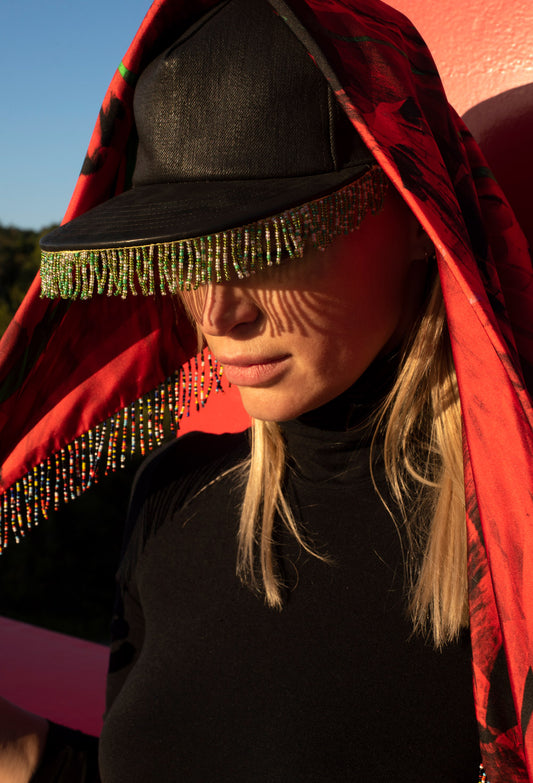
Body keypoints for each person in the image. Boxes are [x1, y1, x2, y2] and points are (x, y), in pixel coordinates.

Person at [0, 0, 532, 780]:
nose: (219, 313)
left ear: (419, 218)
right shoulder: (172, 496)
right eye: (186, 255)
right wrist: (19, 748)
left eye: (268, 242)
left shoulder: (511, 548)